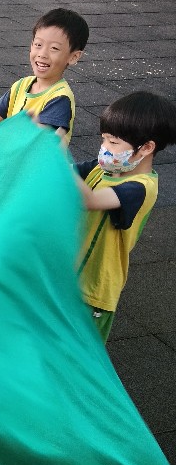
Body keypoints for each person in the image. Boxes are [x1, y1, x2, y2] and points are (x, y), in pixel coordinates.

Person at [74, 91, 176, 342]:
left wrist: (53, 156)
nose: (104, 148)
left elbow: (90, 200)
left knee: (78, 352)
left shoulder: (141, 187)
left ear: (147, 147)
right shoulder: (102, 168)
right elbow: (68, 172)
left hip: (94, 288)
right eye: (103, 139)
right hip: (71, 274)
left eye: (113, 142)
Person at [0, 9, 89, 145]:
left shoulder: (60, 99)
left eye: (54, 48)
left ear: (73, 57)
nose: (42, 54)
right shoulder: (21, 85)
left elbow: (36, 144)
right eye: (38, 45)